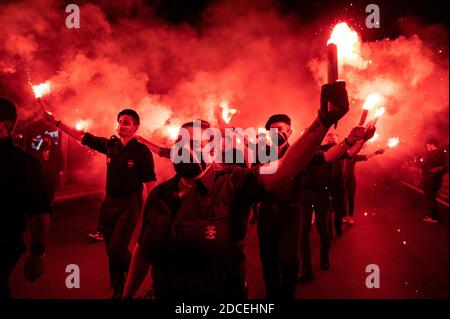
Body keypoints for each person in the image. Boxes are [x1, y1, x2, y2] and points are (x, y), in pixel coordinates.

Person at [122, 81, 356, 299]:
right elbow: (143, 252)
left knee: (286, 262)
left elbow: (287, 167)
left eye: (195, 144)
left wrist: (323, 121)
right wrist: (127, 296)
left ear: (213, 153)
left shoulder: (234, 185)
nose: (186, 149)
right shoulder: (158, 196)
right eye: (181, 143)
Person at [43, 108, 157, 298]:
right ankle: (118, 287)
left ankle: (142, 276)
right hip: (110, 203)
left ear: (136, 127)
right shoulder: (110, 145)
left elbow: (150, 182)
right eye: (120, 121)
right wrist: (56, 123)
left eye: (126, 122)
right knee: (110, 250)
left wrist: (154, 210)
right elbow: (81, 136)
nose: (121, 125)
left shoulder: (142, 151)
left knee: (116, 249)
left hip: (130, 204)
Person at [257, 114, 364, 297]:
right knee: (268, 262)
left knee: (289, 262)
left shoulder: (301, 153)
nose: (276, 133)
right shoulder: (261, 153)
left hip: (291, 214)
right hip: (266, 214)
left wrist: (348, 141)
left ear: (289, 132)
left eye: (280, 129)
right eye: (272, 130)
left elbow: (327, 157)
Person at [298, 126, 376, 283]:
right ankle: (306, 269)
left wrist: (364, 139)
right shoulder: (301, 152)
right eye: (308, 134)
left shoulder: (328, 151)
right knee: (303, 232)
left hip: (322, 194)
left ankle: (324, 260)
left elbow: (350, 152)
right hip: (304, 195)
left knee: (323, 228)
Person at [0, 97, 51, 299]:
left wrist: (36, 254)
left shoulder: (23, 163)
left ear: (5, 126)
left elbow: (39, 212)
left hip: (3, 243)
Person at [343, 147, 385, 224]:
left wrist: (376, 152)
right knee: (343, 198)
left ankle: (350, 216)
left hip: (351, 180)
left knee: (351, 198)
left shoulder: (353, 156)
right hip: (342, 179)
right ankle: (344, 215)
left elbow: (365, 157)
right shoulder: (340, 155)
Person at [421, 138, 446, 223]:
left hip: (430, 180)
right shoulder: (441, 154)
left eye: (428, 145)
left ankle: (433, 216)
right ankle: (432, 215)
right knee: (431, 197)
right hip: (436, 180)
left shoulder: (431, 154)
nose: (427, 147)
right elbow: (444, 167)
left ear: (432, 145)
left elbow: (423, 164)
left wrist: (432, 172)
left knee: (430, 198)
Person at [34, 133, 64, 203]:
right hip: (44, 170)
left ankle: (50, 201)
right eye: (43, 139)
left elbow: (60, 158)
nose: (44, 140)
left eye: (45, 139)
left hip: (52, 171)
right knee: (44, 186)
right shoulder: (42, 147)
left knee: (51, 187)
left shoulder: (55, 148)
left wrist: (61, 169)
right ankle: (45, 200)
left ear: (49, 139)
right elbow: (39, 157)